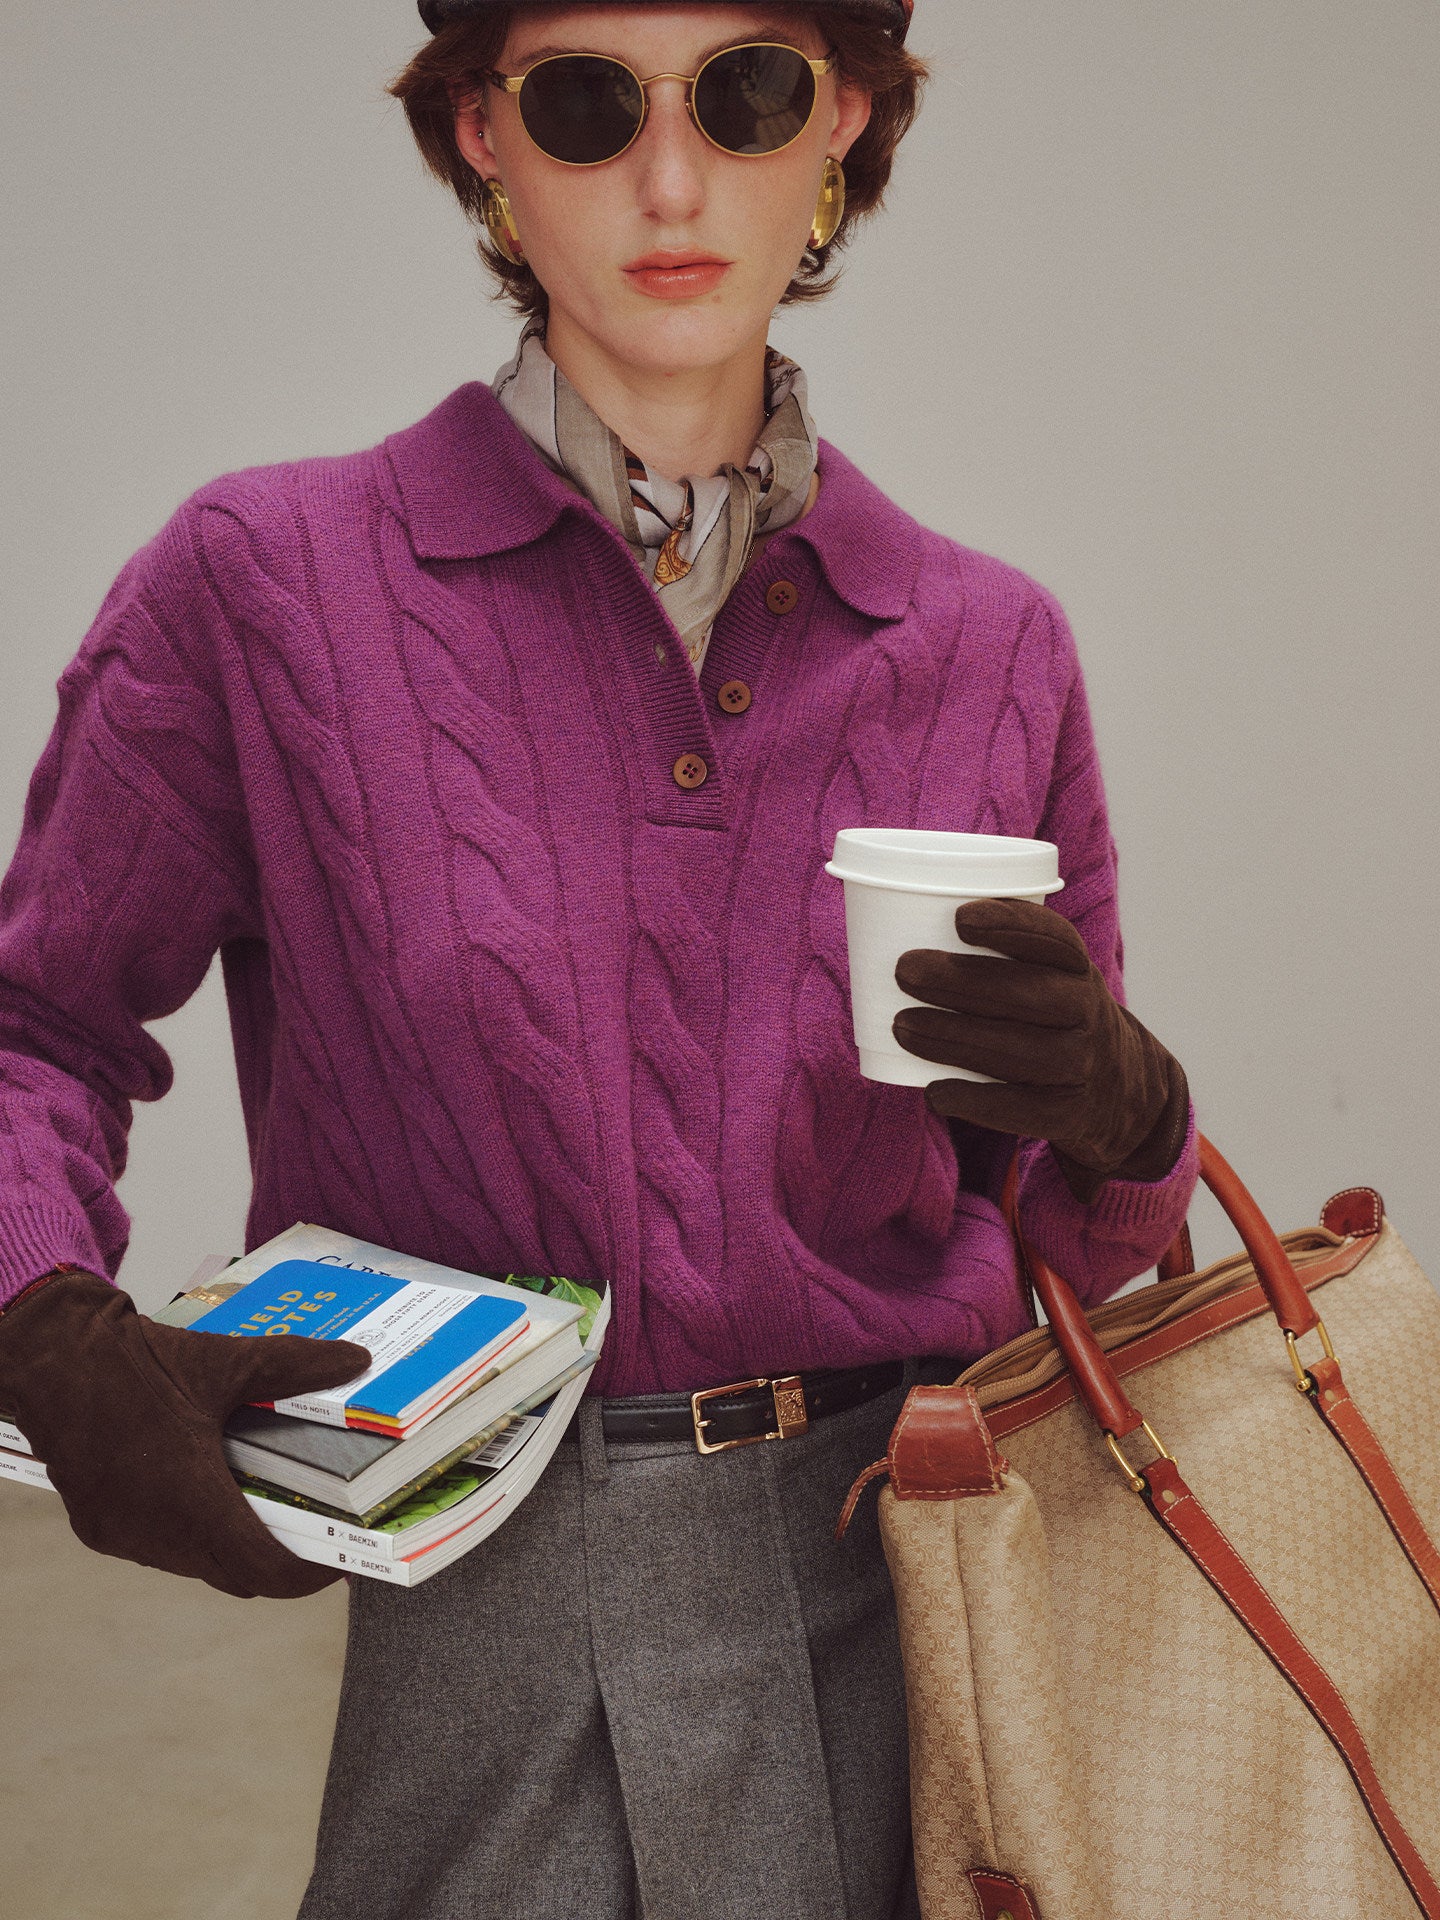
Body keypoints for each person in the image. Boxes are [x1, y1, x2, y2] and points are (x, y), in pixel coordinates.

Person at [0, 3, 1198, 1915]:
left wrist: (1132, 1120)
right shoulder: (266, 588)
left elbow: (1082, 1267)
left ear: (845, 126)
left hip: (901, 1597)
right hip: (473, 1585)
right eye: (584, 102)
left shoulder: (989, 649)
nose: (669, 179)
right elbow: (32, 1022)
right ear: (481, 134)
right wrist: (41, 1318)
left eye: (744, 93)